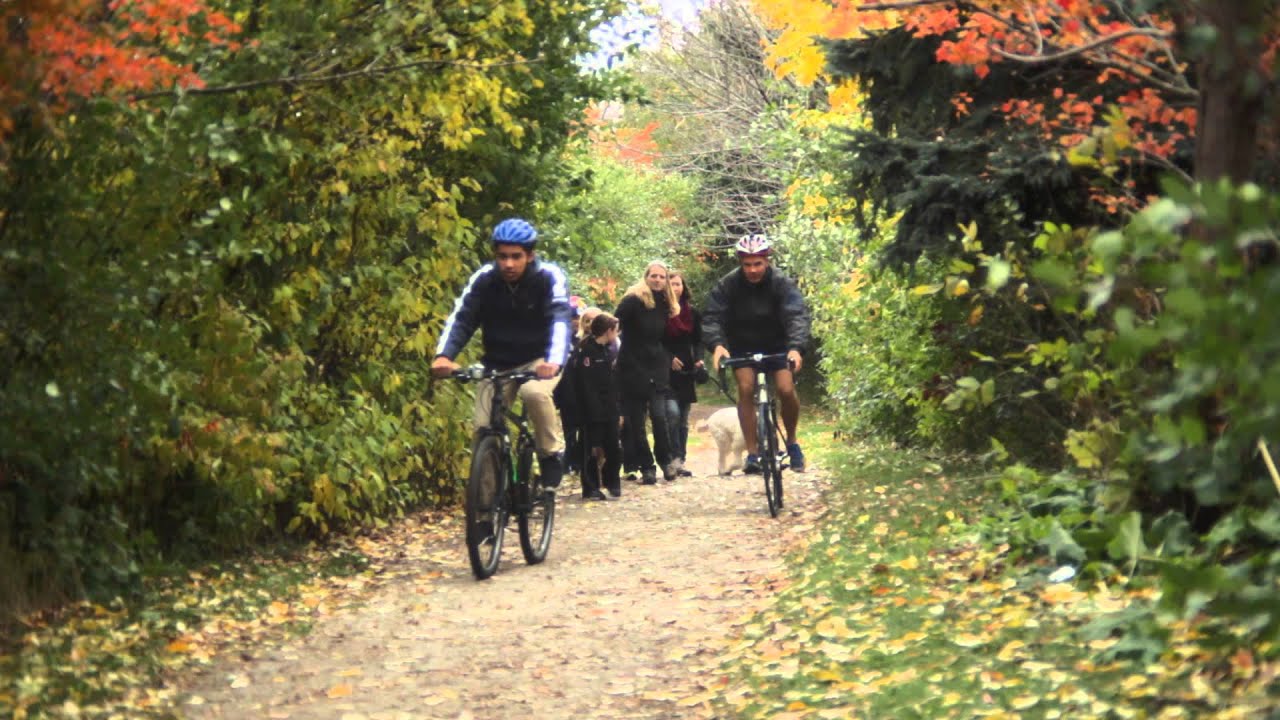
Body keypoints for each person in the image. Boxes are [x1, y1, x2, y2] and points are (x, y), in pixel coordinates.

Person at [430, 217, 573, 490]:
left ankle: (549, 453)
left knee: (534, 393)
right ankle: (484, 512)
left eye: (516, 257)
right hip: (497, 363)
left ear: (530, 255)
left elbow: (560, 319)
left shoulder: (549, 277)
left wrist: (554, 360)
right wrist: (444, 355)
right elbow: (462, 318)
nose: (508, 264)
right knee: (483, 431)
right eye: (502, 256)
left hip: (541, 359)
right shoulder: (485, 279)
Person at [704, 233, 812, 473]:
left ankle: (792, 442)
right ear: (740, 264)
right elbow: (713, 317)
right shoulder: (728, 285)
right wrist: (717, 345)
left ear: (767, 261)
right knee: (745, 388)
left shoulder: (782, 283)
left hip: (779, 345)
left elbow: (796, 316)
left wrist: (796, 348)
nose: (752, 270)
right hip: (743, 345)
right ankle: (752, 454)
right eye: (747, 265)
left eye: (757, 264)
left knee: (785, 389)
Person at [614, 261, 681, 484]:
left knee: (660, 417)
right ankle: (647, 466)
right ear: (646, 277)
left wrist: (669, 357)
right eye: (654, 276)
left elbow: (665, 337)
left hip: (656, 366)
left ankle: (666, 461)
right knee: (636, 422)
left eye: (662, 277)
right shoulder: (633, 300)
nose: (658, 280)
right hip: (632, 365)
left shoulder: (666, 302)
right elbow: (615, 325)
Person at [572, 312, 623, 500]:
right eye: (615, 331)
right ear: (608, 331)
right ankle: (590, 487)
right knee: (591, 450)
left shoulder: (609, 351)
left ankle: (612, 481)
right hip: (592, 411)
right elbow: (586, 385)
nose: (616, 335)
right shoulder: (587, 351)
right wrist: (592, 411)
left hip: (610, 408)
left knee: (614, 448)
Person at [661, 270, 704, 476]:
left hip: (687, 370)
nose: (675, 288)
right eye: (671, 284)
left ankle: (680, 459)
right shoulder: (659, 312)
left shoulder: (692, 313)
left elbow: (698, 339)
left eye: (678, 284)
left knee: (684, 416)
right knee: (672, 414)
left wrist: (699, 358)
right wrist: (667, 358)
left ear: (683, 287)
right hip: (664, 370)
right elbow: (654, 341)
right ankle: (671, 457)